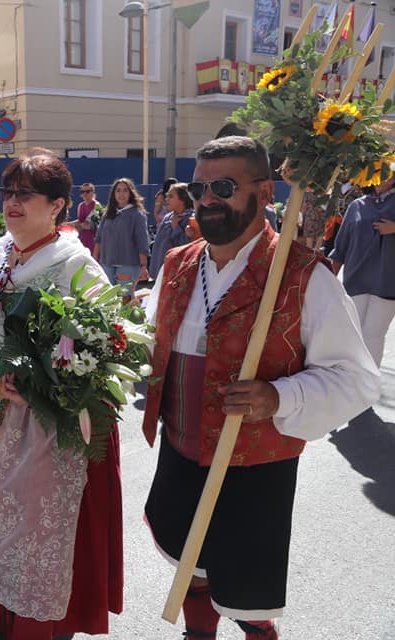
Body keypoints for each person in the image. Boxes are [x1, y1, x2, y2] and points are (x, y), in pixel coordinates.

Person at [143, 136, 379, 640]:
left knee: (245, 580)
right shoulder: (177, 264)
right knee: (191, 562)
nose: (207, 199)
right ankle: (198, 634)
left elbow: (357, 378)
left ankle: (259, 633)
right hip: (179, 451)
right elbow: (151, 340)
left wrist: (279, 397)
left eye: (224, 188)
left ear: (265, 191)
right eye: (198, 188)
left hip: (253, 464)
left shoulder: (303, 275)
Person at [0, 149, 122, 639]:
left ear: (57, 205)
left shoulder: (76, 267)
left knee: (31, 529)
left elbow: (103, 361)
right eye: (9, 192)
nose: (13, 202)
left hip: (41, 428)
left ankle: (32, 620)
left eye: (27, 194)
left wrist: (42, 393)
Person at [329, 175, 395, 367]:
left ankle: (368, 381)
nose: (385, 178)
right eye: (380, 172)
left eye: (390, 172)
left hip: (387, 281)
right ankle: (353, 378)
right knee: (353, 334)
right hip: (355, 281)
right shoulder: (356, 205)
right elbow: (340, 247)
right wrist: (327, 279)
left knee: (373, 335)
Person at [93, 177, 150, 297]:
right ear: (113, 194)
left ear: (131, 193)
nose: (121, 194)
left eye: (125, 190)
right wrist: (94, 259)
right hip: (107, 263)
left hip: (128, 264)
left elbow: (142, 241)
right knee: (108, 299)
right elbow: (99, 238)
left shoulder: (137, 214)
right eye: (118, 190)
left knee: (125, 299)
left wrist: (143, 266)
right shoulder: (107, 214)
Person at [149, 182, 195, 279]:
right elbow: (158, 245)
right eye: (167, 196)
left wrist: (176, 228)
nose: (166, 199)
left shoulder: (191, 219)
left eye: (171, 196)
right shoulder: (167, 217)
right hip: (161, 271)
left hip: (177, 274)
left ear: (183, 199)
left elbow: (187, 248)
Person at [73, 181, 100, 252]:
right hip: (82, 242)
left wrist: (71, 226)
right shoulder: (80, 205)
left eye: (87, 191)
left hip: (94, 243)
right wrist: (64, 225)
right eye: (82, 192)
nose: (85, 194)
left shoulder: (97, 206)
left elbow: (89, 226)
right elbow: (80, 222)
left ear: (93, 192)